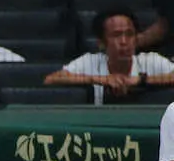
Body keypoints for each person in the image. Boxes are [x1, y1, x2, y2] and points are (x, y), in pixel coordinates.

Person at [44, 6, 174, 105]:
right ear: (101, 42)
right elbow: (51, 79)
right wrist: (100, 79)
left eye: (129, 34)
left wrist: (141, 81)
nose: (124, 42)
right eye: (116, 35)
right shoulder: (90, 61)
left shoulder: (150, 60)